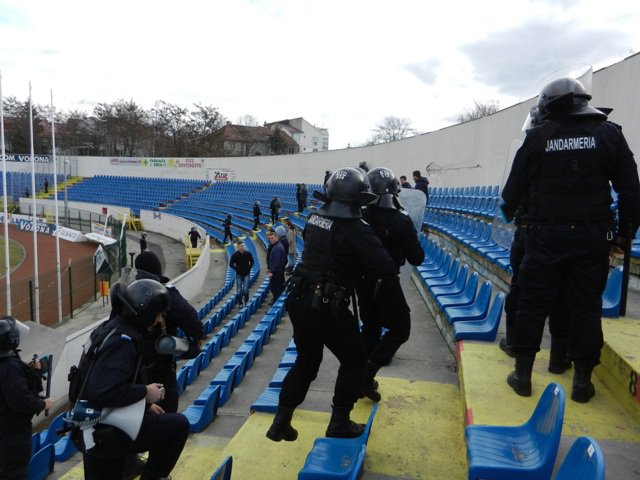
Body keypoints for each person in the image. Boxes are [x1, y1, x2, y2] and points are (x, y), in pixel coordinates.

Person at [501, 77, 640, 403]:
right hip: (592, 238)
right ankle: (581, 382)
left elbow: (511, 193)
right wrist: (624, 233)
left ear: (550, 105)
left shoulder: (538, 137)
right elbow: (631, 191)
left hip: (544, 237)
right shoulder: (610, 133)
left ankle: (522, 375)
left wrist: (514, 215)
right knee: (585, 307)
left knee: (533, 304)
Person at [266, 167, 397, 443]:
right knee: (355, 360)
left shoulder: (314, 218)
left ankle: (281, 421)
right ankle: (339, 422)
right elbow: (384, 266)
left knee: (306, 361)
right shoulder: (356, 229)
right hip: (326, 305)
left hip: (300, 298)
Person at [80, 279, 190, 480]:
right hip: (101, 432)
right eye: (157, 314)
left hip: (97, 426)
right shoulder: (122, 342)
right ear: (145, 313)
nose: (159, 321)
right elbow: (103, 391)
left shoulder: (112, 328)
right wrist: (144, 393)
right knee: (178, 426)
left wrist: (142, 405)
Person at [356, 167, 425, 401]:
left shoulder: (361, 215)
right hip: (385, 282)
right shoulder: (400, 220)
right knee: (400, 329)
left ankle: (358, 379)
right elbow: (417, 257)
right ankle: (366, 375)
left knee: (371, 329)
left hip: (362, 282)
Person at [134, 251, 205, 413]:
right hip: (160, 367)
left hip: (134, 369)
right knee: (166, 411)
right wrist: (198, 339)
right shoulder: (165, 293)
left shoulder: (130, 293)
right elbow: (192, 320)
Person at [0, 316, 54, 479]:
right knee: (14, 473)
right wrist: (42, 404)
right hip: (12, 434)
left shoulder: (7, 363)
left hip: (5, 430)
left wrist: (34, 370)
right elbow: (21, 400)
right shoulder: (10, 368)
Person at [229, 239, 255, 308]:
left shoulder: (248, 253)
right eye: (241, 246)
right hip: (239, 274)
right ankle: (240, 303)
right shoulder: (235, 255)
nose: (242, 247)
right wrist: (236, 269)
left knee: (246, 289)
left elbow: (252, 261)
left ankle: (246, 301)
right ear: (238, 247)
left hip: (246, 273)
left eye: (243, 246)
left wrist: (249, 267)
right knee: (239, 290)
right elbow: (231, 264)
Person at [266, 228, 287, 305]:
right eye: (270, 238)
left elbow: (276, 261)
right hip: (278, 271)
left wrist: (271, 271)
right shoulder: (277, 246)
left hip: (276, 272)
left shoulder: (277, 248)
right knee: (276, 287)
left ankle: (276, 303)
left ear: (276, 238)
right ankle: (276, 301)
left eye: (272, 238)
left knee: (275, 288)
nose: (271, 240)